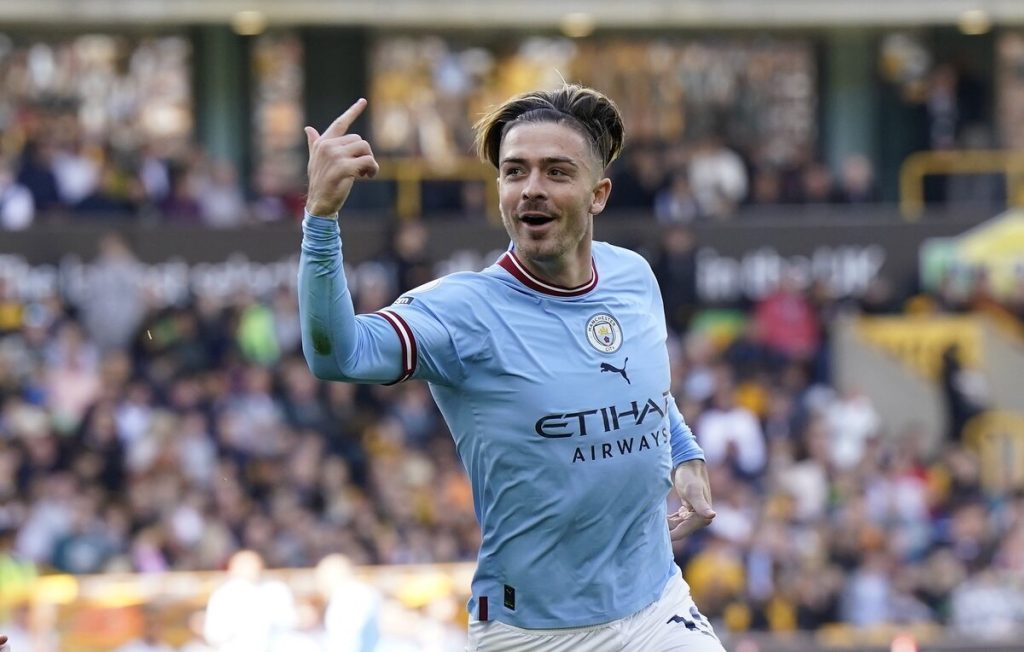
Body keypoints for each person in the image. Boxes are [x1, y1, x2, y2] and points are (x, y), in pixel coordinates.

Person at [300, 84, 724, 651]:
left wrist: (685, 453)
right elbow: (338, 355)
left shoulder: (633, 276)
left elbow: (643, 388)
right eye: (514, 171)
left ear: (598, 194)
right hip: (533, 633)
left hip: (657, 607)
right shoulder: (462, 313)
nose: (531, 189)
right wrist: (321, 219)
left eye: (556, 172)